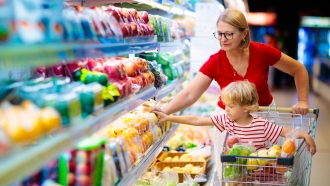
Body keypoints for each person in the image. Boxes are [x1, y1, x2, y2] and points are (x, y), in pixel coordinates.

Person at [149, 8, 310, 180]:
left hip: (264, 120)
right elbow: (190, 94)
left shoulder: (262, 52)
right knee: (233, 176)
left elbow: (298, 69)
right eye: (219, 34)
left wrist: (302, 101)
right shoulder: (216, 61)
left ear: (244, 33)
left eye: (229, 34)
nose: (223, 39)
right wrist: (165, 111)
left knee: (267, 173)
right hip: (230, 123)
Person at [153, 80, 316, 154]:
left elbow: (283, 131)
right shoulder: (227, 120)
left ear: (246, 107)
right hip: (236, 175)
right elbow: (197, 120)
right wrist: (169, 117)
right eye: (226, 105)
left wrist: (305, 135)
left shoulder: (262, 125)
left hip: (258, 176)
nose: (226, 110)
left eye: (231, 106)